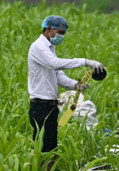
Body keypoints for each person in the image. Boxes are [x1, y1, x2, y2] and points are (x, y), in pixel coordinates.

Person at [28, 15, 106, 155]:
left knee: (51, 147)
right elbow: (55, 64)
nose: (62, 37)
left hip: (50, 105)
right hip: (40, 106)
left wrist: (76, 85)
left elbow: (58, 75)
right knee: (43, 148)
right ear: (50, 29)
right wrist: (85, 61)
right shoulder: (39, 47)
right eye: (60, 33)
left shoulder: (50, 49)